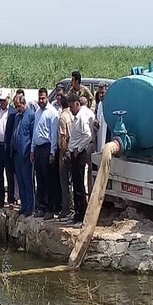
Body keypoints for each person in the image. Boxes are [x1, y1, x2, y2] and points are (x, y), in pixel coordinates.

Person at [31, 88, 59, 220]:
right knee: (40, 179)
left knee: (49, 180)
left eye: (43, 98)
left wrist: (53, 152)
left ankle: (49, 208)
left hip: (47, 148)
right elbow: (35, 131)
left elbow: (54, 134)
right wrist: (32, 149)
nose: (41, 100)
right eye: (39, 98)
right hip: (38, 148)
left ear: (47, 97)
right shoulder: (37, 112)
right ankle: (41, 206)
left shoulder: (52, 113)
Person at [68, 94, 94, 226]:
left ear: (77, 104)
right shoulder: (80, 115)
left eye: (71, 107)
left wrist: (79, 148)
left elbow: (88, 135)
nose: (70, 110)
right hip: (75, 152)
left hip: (79, 154)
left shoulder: (81, 118)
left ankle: (81, 215)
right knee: (76, 184)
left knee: (79, 185)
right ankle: (78, 212)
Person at [11, 95, 35, 216]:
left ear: (23, 104)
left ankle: (31, 206)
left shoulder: (30, 115)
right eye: (15, 106)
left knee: (27, 181)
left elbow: (32, 135)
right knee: (20, 181)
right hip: (17, 154)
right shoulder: (17, 117)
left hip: (26, 154)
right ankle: (24, 205)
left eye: (18, 106)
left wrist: (31, 151)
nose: (17, 108)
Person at [58, 94, 73, 222]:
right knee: (70, 182)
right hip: (72, 150)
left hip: (66, 151)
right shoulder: (72, 115)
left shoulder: (63, 117)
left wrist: (61, 156)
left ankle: (66, 210)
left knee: (64, 181)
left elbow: (63, 138)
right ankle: (71, 207)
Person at [93, 81, 110, 153]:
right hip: (100, 138)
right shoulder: (99, 104)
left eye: (103, 93)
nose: (100, 95)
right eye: (99, 93)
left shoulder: (110, 105)